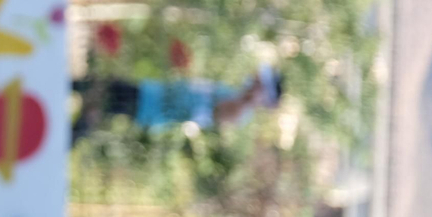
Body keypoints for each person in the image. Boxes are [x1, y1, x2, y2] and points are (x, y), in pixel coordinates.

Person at [70, 65, 284, 143]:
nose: (254, 80)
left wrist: (249, 100)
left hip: (151, 108)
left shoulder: (240, 113)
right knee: (101, 89)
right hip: (151, 92)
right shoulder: (233, 91)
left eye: (260, 84)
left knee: (101, 99)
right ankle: (60, 87)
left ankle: (66, 140)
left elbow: (219, 114)